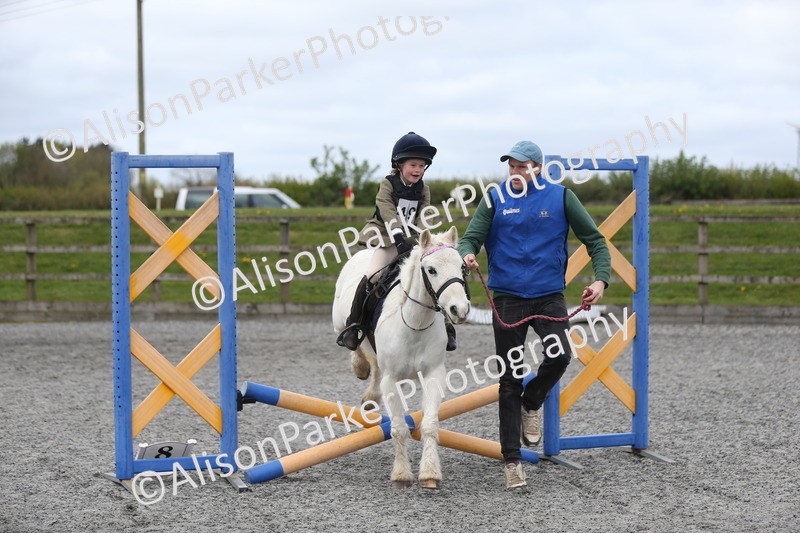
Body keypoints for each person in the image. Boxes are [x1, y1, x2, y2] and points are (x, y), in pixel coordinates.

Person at [457, 140, 611, 489]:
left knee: (560, 355)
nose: (516, 172)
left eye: (522, 166)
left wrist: (600, 280)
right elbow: (470, 239)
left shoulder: (561, 198)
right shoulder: (495, 199)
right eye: (511, 166)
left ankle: (533, 402)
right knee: (509, 378)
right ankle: (512, 462)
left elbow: (596, 241)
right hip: (508, 297)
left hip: (548, 296)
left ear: (538, 168)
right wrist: (467, 254)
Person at [336, 132, 457, 351]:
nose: (418, 170)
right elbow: (388, 212)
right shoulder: (388, 185)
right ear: (399, 164)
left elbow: (424, 217)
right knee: (372, 276)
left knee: (434, 276)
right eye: (413, 164)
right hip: (385, 235)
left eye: (422, 166)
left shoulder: (424, 190)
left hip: (412, 238)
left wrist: (423, 241)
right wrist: (399, 239)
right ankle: (354, 326)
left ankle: (447, 327)